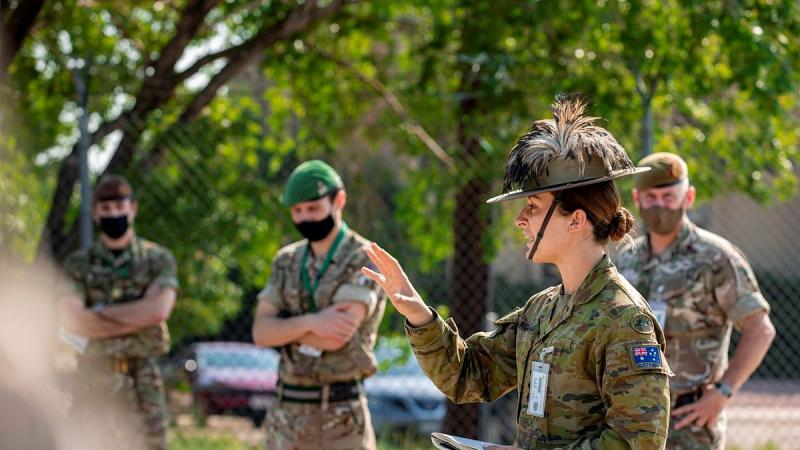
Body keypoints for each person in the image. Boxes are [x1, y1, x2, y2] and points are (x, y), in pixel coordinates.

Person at [361, 95, 671, 449]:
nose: (521, 220)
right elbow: (468, 377)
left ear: (576, 220)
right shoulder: (541, 310)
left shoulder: (624, 321)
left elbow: (637, 444)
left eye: (533, 207)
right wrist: (418, 314)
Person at [615, 152, 776, 450]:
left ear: (688, 197)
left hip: (691, 422)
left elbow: (760, 329)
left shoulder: (715, 257)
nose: (660, 205)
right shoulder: (626, 260)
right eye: (651, 197)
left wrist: (723, 393)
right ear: (637, 199)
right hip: (632, 420)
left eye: (668, 196)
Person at [252, 160, 386, 450]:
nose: (305, 219)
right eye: (297, 211)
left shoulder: (364, 257)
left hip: (341, 419)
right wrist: (311, 322)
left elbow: (336, 335)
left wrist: (285, 327)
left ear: (338, 200)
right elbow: (261, 333)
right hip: (285, 418)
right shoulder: (286, 260)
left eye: (313, 209)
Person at [58, 175, 178, 450]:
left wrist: (96, 314)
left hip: (142, 379)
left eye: (119, 208)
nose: (113, 214)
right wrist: (137, 317)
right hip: (91, 381)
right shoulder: (78, 265)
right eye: (106, 209)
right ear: (95, 213)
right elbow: (70, 321)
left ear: (132, 209)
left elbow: (158, 311)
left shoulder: (157, 260)